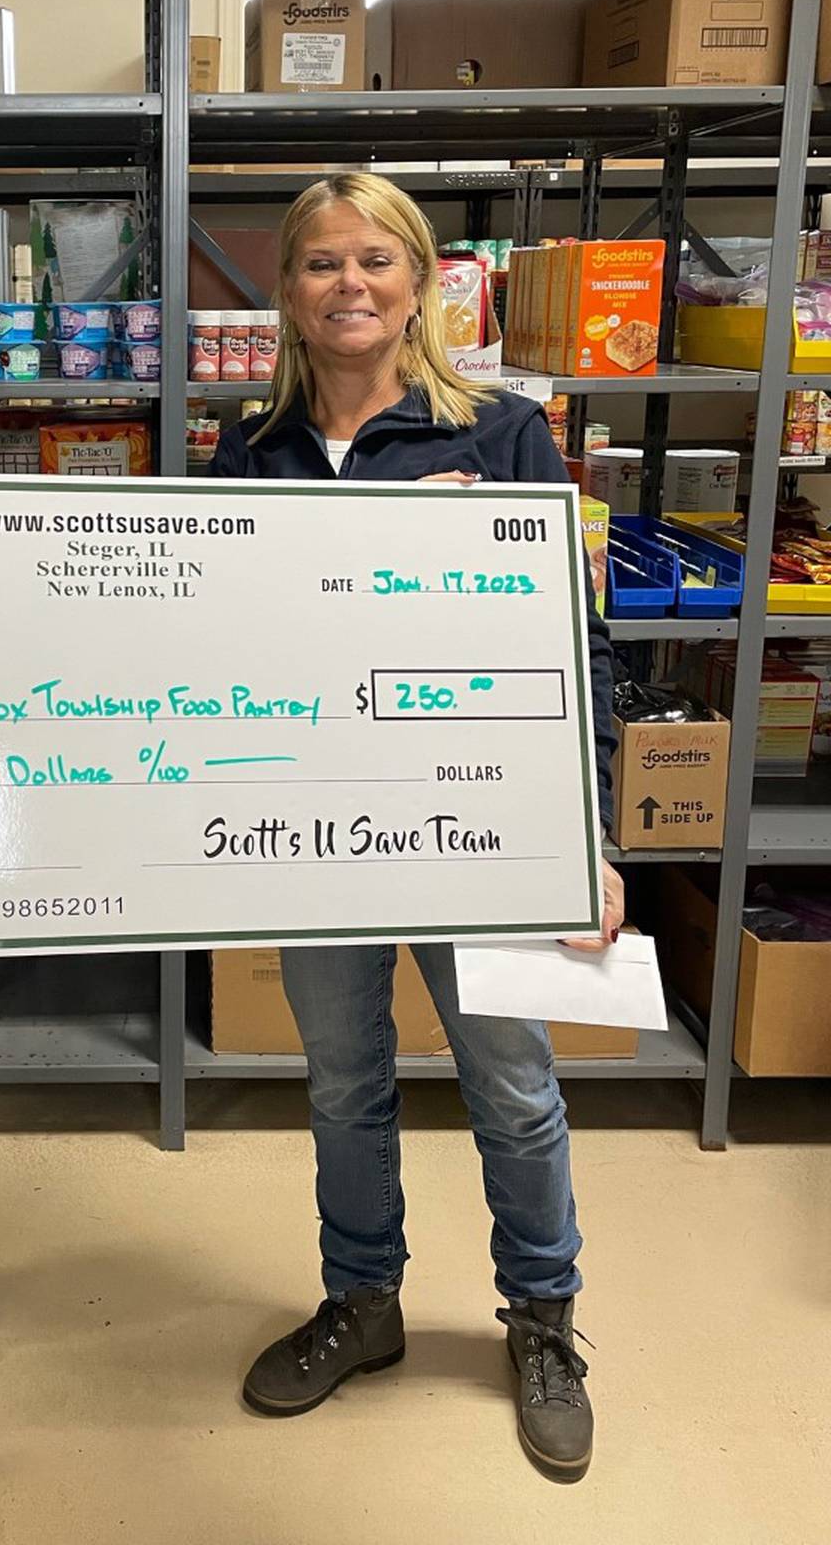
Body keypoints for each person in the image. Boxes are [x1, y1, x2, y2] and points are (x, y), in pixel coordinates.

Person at [210, 173, 623, 1484]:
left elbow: (577, 641)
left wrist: (587, 836)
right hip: (319, 824)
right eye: (322, 263)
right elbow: (216, 655)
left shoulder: (502, 436)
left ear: (423, 282)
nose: (349, 286)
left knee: (511, 1085)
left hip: (481, 820)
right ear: (287, 289)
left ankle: (544, 1322)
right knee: (342, 1081)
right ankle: (364, 1304)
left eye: (376, 262)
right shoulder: (252, 449)